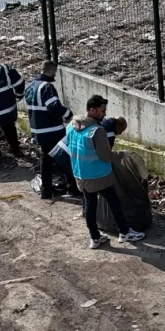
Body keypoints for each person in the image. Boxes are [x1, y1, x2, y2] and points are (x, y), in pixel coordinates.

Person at [66, 94, 145, 248]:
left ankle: (94, 238)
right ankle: (124, 232)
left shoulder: (71, 126)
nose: (105, 114)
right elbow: (106, 155)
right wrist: (122, 154)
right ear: (92, 110)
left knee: (90, 205)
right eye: (102, 111)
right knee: (114, 202)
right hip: (99, 175)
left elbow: (70, 146)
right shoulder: (97, 131)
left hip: (80, 174)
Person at [25, 60, 72, 198]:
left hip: (38, 130)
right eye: (54, 72)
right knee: (64, 155)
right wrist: (68, 114)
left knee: (46, 158)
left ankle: (46, 190)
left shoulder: (30, 86)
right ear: (50, 71)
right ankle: (72, 186)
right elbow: (54, 107)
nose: (55, 75)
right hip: (52, 129)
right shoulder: (46, 87)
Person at [48, 116, 127, 192]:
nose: (120, 133)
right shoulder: (109, 133)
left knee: (75, 179)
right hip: (70, 153)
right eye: (121, 130)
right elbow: (105, 155)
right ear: (117, 126)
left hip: (61, 149)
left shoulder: (100, 121)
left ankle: (70, 189)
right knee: (82, 183)